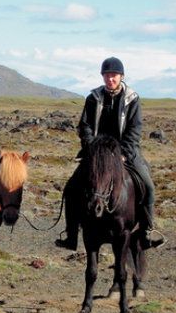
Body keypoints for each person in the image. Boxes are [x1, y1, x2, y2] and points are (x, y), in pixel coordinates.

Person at [55, 57, 166, 251]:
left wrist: (123, 154)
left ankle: (147, 231)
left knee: (147, 186)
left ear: (121, 76)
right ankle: (71, 235)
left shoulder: (132, 99)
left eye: (113, 75)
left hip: (125, 153)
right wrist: (92, 149)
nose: (110, 79)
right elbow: (85, 126)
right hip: (97, 155)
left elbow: (135, 130)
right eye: (106, 75)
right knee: (71, 187)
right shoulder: (93, 98)